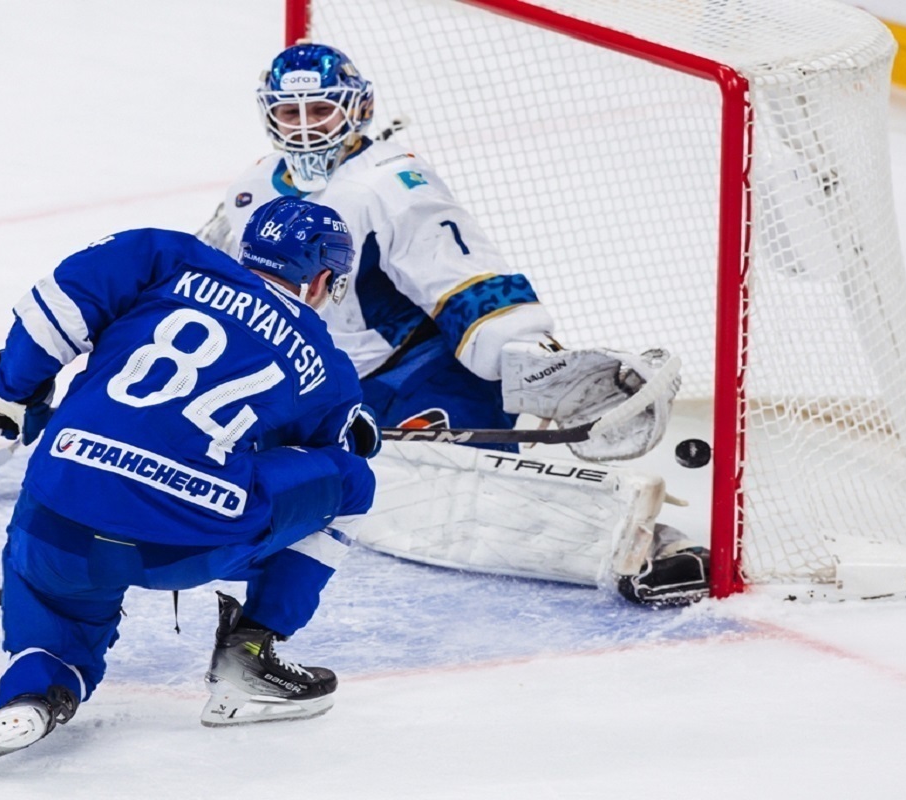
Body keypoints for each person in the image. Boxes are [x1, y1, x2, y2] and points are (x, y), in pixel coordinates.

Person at [198, 43, 709, 606]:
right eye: (289, 114)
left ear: (357, 109)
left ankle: (650, 549)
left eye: (319, 111)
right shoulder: (251, 188)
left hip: (424, 373)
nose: (302, 129)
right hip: (322, 378)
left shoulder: (390, 183)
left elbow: (462, 276)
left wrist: (528, 359)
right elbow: (216, 278)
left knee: (471, 498)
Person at [0, 197, 379, 774]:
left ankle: (35, 694)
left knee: (59, 611)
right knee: (351, 486)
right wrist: (356, 428)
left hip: (61, 514)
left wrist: (14, 393)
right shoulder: (326, 364)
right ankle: (250, 651)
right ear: (324, 277)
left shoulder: (165, 255)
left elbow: (51, 313)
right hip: (184, 543)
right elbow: (331, 447)